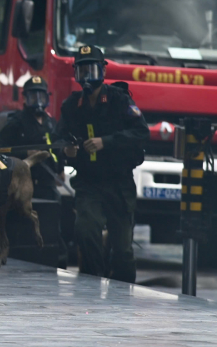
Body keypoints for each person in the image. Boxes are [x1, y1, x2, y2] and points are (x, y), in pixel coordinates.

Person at [56, 45, 149, 283]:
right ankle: (91, 285)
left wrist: (105, 142)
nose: (87, 77)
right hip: (89, 183)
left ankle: (124, 294)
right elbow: (59, 138)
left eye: (92, 70)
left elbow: (141, 132)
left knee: (123, 250)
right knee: (85, 231)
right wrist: (67, 150)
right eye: (82, 71)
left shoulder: (120, 100)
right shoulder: (70, 106)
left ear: (102, 72)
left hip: (119, 184)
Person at [0, 76, 67, 266]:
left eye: (41, 96)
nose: (38, 101)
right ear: (25, 98)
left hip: (48, 184)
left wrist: (60, 169)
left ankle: (57, 262)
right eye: (33, 96)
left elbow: (58, 149)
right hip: (22, 185)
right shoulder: (16, 122)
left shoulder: (51, 123)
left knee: (53, 227)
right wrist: (26, 153)